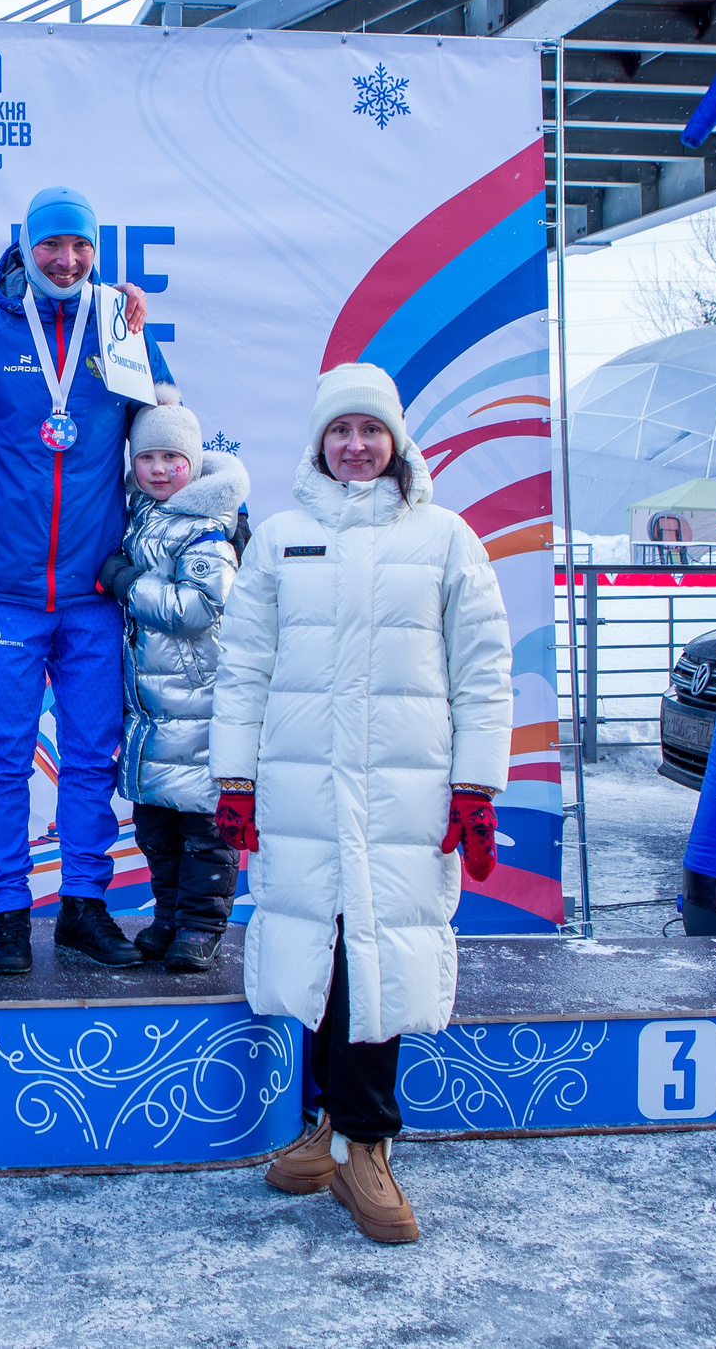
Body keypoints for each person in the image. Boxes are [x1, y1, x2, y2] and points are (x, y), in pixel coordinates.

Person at [210, 364, 510, 1245]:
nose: (355, 445)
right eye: (339, 430)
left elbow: (484, 670)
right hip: (304, 785)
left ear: (396, 441)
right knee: (319, 951)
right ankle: (329, 1131)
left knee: (379, 954)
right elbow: (244, 666)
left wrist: (475, 786)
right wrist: (235, 780)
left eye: (370, 430)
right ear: (318, 442)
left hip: (403, 790)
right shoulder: (281, 539)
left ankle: (367, 1146)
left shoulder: (446, 538)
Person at [0, 186, 166, 973]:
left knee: (90, 756)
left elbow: (165, 431)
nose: (66, 259)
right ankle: (8, 910)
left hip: (93, 591)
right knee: (5, 755)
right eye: (51, 244)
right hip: (6, 590)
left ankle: (83, 904)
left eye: (80, 246)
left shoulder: (119, 324)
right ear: (26, 247)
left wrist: (212, 513)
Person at [94, 385, 248, 973]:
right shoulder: (143, 515)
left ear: (194, 462)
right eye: (147, 458)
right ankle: (168, 916)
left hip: (199, 699)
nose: (159, 469)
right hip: (152, 703)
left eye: (172, 458)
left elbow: (198, 608)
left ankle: (202, 927)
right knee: (156, 820)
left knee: (203, 823)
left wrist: (128, 583)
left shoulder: (206, 526)